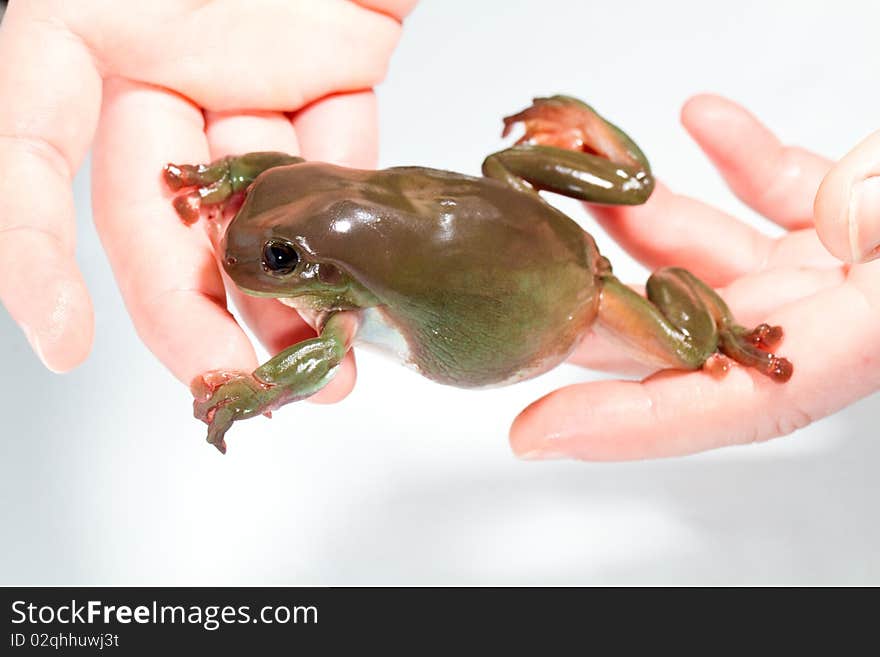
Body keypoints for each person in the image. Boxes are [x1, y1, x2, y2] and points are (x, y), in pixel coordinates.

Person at [1, 1, 877, 461]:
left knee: (687, 346)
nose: (243, 248)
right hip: (508, 207)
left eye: (280, 259)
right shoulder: (304, 193)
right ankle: (608, 151)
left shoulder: (333, 301)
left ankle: (716, 317)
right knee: (507, 171)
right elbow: (276, 170)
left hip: (583, 295)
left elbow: (306, 361)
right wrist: (230, 177)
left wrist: (251, 387)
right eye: (262, 205)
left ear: (320, 270)